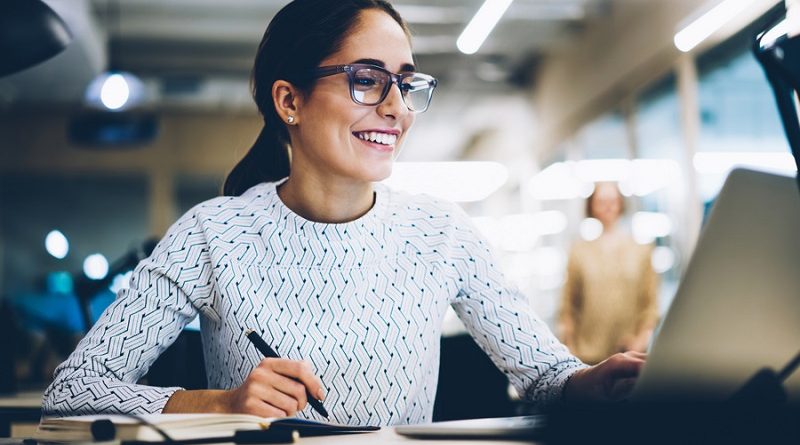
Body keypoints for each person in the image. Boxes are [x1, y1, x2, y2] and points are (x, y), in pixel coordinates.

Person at [43, 0, 646, 425]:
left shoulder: (441, 232)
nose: (397, 109)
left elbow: (545, 379)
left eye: (405, 85)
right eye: (366, 80)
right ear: (289, 101)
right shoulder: (212, 235)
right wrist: (219, 403)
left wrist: (593, 381)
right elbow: (72, 392)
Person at [560, 182, 660, 365]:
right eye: (601, 200)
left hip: (630, 354)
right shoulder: (579, 252)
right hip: (587, 355)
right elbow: (568, 306)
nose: (608, 205)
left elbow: (650, 304)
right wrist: (570, 348)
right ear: (591, 205)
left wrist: (640, 341)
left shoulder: (641, 250)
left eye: (613, 200)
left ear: (621, 203)